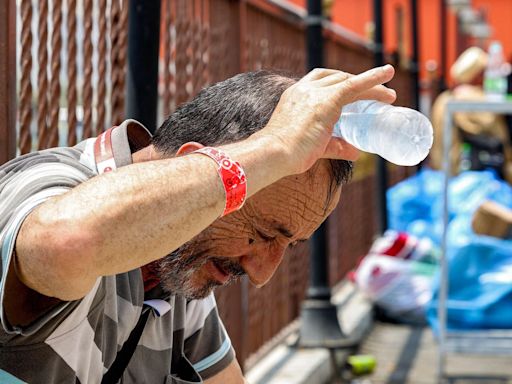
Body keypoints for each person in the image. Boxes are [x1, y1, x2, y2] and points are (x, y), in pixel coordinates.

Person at [0, 66, 396, 383]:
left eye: (288, 245)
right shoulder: (51, 183)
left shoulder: (179, 259)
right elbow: (66, 243)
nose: (262, 274)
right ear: (199, 168)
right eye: (261, 235)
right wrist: (277, 145)